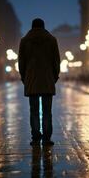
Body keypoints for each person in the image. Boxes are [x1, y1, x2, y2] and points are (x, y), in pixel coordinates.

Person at [18, 18, 60, 146]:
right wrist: (54, 77)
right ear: (43, 26)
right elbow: (56, 61)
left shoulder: (25, 41)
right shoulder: (52, 40)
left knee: (34, 110)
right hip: (48, 79)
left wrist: (25, 78)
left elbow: (21, 63)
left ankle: (36, 137)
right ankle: (47, 138)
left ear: (32, 27)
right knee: (47, 111)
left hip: (31, 80)